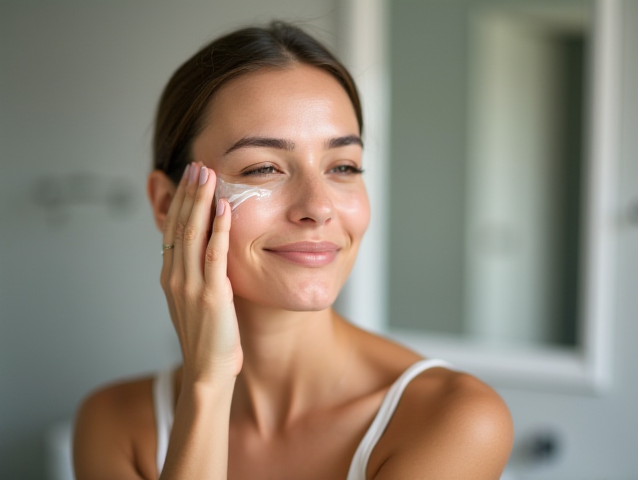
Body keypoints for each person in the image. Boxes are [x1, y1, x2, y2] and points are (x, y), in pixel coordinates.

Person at [73, 21, 513, 480]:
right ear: (168, 204)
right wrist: (208, 386)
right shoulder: (117, 426)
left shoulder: (451, 421)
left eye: (343, 166)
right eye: (264, 168)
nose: (318, 208)